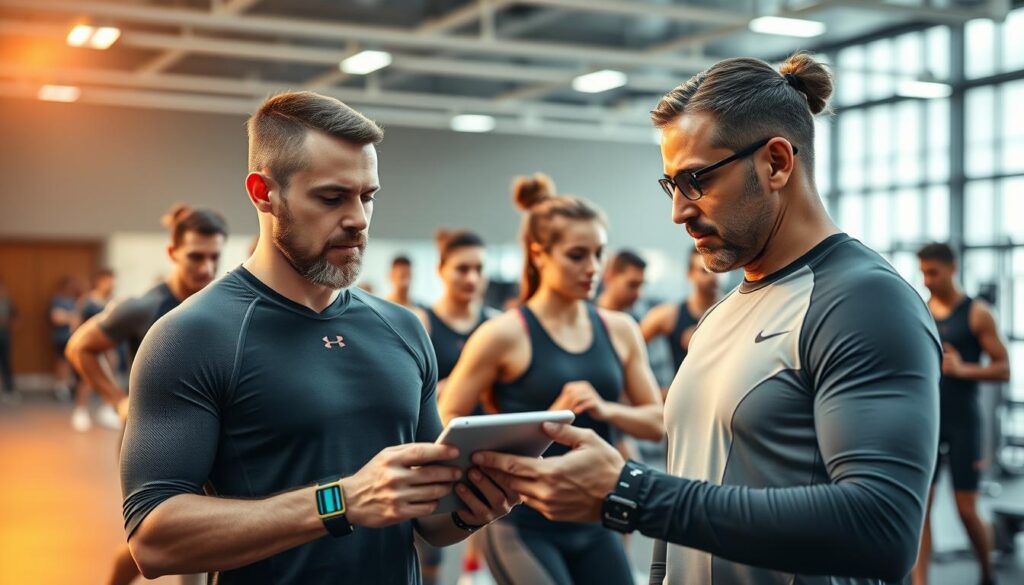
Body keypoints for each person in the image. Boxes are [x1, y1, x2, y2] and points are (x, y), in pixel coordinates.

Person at [473, 53, 942, 585]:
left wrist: (634, 494)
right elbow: (681, 521)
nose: (679, 211)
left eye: (696, 180)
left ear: (776, 163)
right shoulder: (722, 315)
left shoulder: (864, 302)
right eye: (671, 185)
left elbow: (882, 528)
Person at [119, 91, 516, 584]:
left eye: (367, 196)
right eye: (332, 198)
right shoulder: (191, 336)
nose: (359, 220)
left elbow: (431, 522)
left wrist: (475, 505)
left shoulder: (403, 328)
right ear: (263, 193)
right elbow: (152, 540)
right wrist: (341, 502)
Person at [438, 174, 664, 585]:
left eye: (599, 254)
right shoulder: (503, 334)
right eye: (577, 256)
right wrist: (534, 430)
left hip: (596, 521)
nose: (592, 268)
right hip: (523, 526)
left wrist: (605, 409)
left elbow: (658, 421)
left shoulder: (620, 329)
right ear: (538, 254)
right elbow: (447, 418)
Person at [66, 205, 228, 585]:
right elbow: (79, 347)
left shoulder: (221, 303)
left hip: (208, 434)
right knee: (152, 541)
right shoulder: (145, 307)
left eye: (214, 257)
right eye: (195, 257)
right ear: (173, 253)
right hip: (153, 439)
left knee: (196, 539)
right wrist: (117, 400)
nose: (206, 268)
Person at [913, 242, 1011, 585]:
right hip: (929, 422)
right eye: (923, 273)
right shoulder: (922, 311)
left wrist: (961, 369)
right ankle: (920, 582)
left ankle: (987, 572)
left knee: (966, 510)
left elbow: (1003, 369)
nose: (927, 280)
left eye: (933, 273)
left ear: (952, 269)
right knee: (921, 509)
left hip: (963, 423)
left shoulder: (977, 313)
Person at [413, 228, 499, 585]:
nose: (472, 278)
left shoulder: (495, 326)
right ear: (442, 270)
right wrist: (452, 389)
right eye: (462, 269)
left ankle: (471, 573)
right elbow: (408, 392)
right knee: (429, 552)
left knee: (482, 521)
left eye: (479, 269)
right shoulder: (422, 323)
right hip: (435, 442)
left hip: (484, 444)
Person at [640, 247, 719, 373]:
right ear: (690, 274)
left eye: (718, 270)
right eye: (705, 271)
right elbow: (631, 348)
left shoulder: (733, 312)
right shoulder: (670, 315)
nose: (713, 277)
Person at [70, 268, 118, 432]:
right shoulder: (87, 301)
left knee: (109, 378)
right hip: (89, 347)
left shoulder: (111, 301)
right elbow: (76, 323)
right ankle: (80, 411)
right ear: (99, 281)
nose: (111, 283)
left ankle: (107, 409)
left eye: (112, 280)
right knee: (88, 379)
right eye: (108, 280)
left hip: (108, 348)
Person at [50, 274, 82, 400]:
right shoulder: (58, 300)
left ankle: (68, 385)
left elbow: (78, 318)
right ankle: (60, 387)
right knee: (62, 362)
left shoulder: (75, 300)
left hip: (73, 337)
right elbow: (56, 317)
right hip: (61, 337)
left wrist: (68, 316)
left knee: (71, 362)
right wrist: (70, 317)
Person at [596, 249, 647, 320]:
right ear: (610, 276)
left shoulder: (634, 320)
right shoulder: (586, 314)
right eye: (632, 285)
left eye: (641, 286)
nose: (638, 294)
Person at [0, 279, 17, 404]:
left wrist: (10, 324)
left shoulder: (8, 303)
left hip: (4, 336)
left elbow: (16, 319)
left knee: (6, 363)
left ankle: (9, 390)